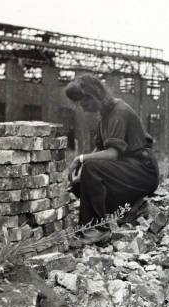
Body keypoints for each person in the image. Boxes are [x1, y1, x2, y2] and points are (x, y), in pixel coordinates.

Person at [65, 74, 159, 244]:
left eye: (84, 102)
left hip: (143, 170)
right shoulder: (105, 114)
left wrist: (80, 159)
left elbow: (113, 153)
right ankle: (132, 207)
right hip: (129, 170)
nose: (82, 107)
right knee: (80, 184)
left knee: (91, 169)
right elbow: (100, 149)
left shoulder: (119, 111)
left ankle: (98, 228)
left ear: (95, 95)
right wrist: (82, 175)